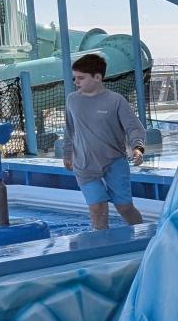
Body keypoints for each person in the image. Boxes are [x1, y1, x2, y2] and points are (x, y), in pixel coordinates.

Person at [62, 53, 148, 230]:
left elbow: (133, 127)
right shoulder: (72, 100)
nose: (76, 82)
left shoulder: (115, 100)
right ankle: (101, 243)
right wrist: (67, 153)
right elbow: (70, 129)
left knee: (124, 207)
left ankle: (144, 236)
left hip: (114, 161)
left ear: (97, 77)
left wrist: (138, 147)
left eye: (81, 78)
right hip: (84, 165)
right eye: (75, 78)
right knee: (97, 209)